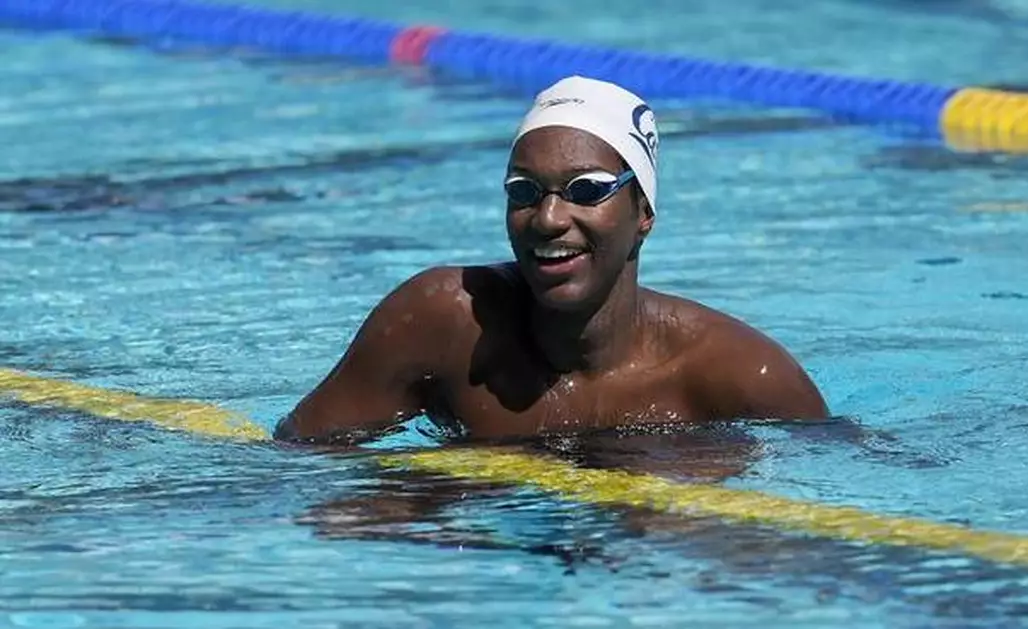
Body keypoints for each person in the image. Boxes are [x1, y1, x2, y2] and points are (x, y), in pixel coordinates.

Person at [273, 75, 828, 446]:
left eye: (586, 190)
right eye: (524, 191)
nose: (548, 218)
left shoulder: (737, 376)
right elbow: (295, 467)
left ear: (644, 213)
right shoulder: (442, 322)